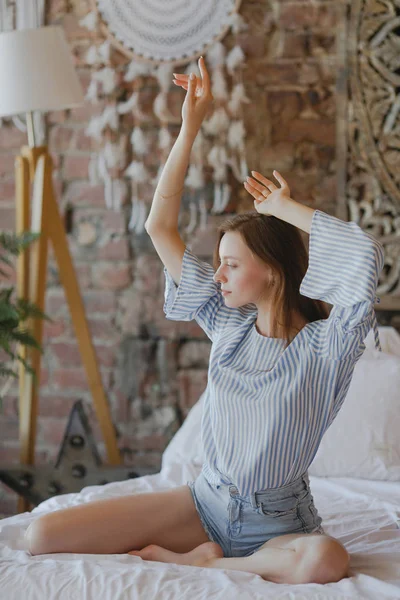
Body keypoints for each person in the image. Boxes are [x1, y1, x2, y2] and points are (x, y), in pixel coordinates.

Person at [25, 57, 384, 585]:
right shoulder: (227, 324)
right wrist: (190, 125)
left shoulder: (327, 346)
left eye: (232, 264)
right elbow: (159, 225)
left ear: (272, 270)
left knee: (327, 558)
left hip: (279, 523)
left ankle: (211, 562)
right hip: (204, 505)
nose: (217, 274)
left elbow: (363, 255)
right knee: (41, 536)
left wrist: (286, 210)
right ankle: (213, 551)